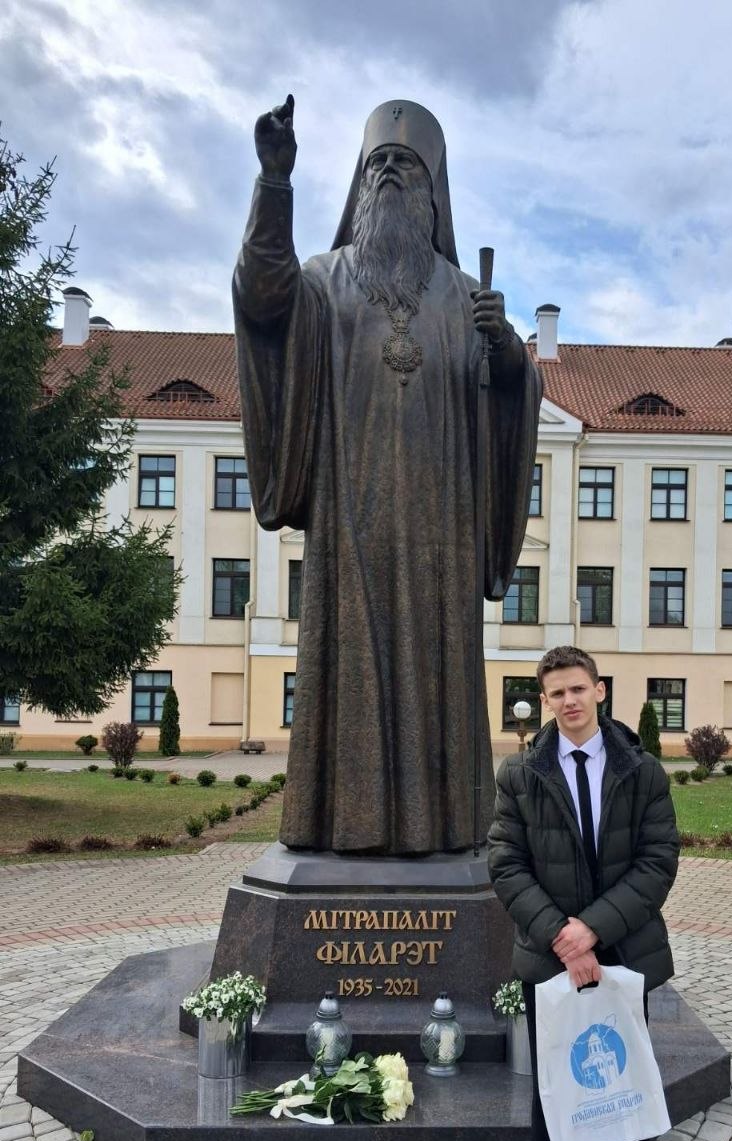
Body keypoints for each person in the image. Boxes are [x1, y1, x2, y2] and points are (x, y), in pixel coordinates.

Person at [233, 97, 540, 855]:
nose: (394, 174)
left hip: (442, 527)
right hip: (350, 521)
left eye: (409, 165)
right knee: (351, 670)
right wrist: (275, 183)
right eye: (380, 164)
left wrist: (504, 354)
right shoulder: (324, 281)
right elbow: (261, 293)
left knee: (439, 672)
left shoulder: (465, 295)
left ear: (435, 195)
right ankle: (344, 829)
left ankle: (439, 832)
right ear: (360, 186)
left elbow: (512, 398)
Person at [488, 645, 680, 1141]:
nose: (568, 701)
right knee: (551, 1100)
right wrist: (560, 938)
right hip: (550, 965)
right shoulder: (520, 774)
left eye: (578, 689)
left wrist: (591, 931)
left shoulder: (642, 770)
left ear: (600, 691)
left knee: (623, 1093)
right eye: (555, 693)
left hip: (623, 956)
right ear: (545, 701)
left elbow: (658, 862)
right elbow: (506, 865)